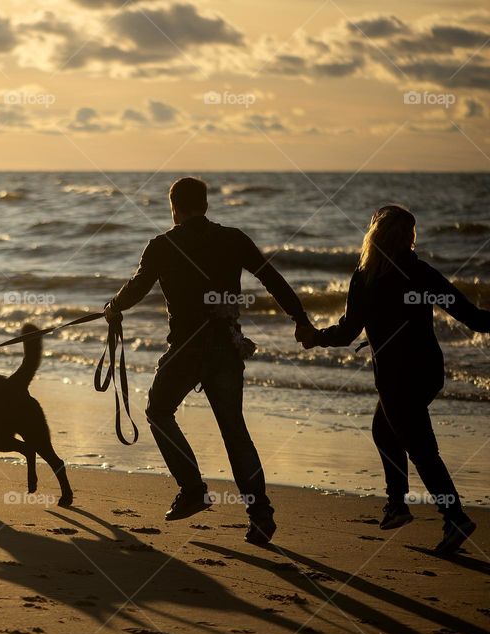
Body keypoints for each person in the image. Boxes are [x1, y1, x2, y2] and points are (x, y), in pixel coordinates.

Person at [104, 177, 314, 545]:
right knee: (234, 430)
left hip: (187, 347)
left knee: (158, 410)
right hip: (226, 346)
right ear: (205, 205)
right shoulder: (233, 239)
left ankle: (193, 489)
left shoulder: (162, 245)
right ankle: (261, 514)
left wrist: (113, 308)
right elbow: (272, 279)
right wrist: (300, 319)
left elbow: (137, 288)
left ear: (175, 207)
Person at [297, 204, 490, 555]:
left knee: (421, 450)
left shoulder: (366, 277)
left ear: (374, 235)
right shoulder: (421, 273)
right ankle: (398, 506)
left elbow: (347, 332)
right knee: (385, 431)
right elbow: (473, 318)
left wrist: (314, 337)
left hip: (396, 375)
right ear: (408, 237)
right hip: (428, 371)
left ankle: (453, 516)